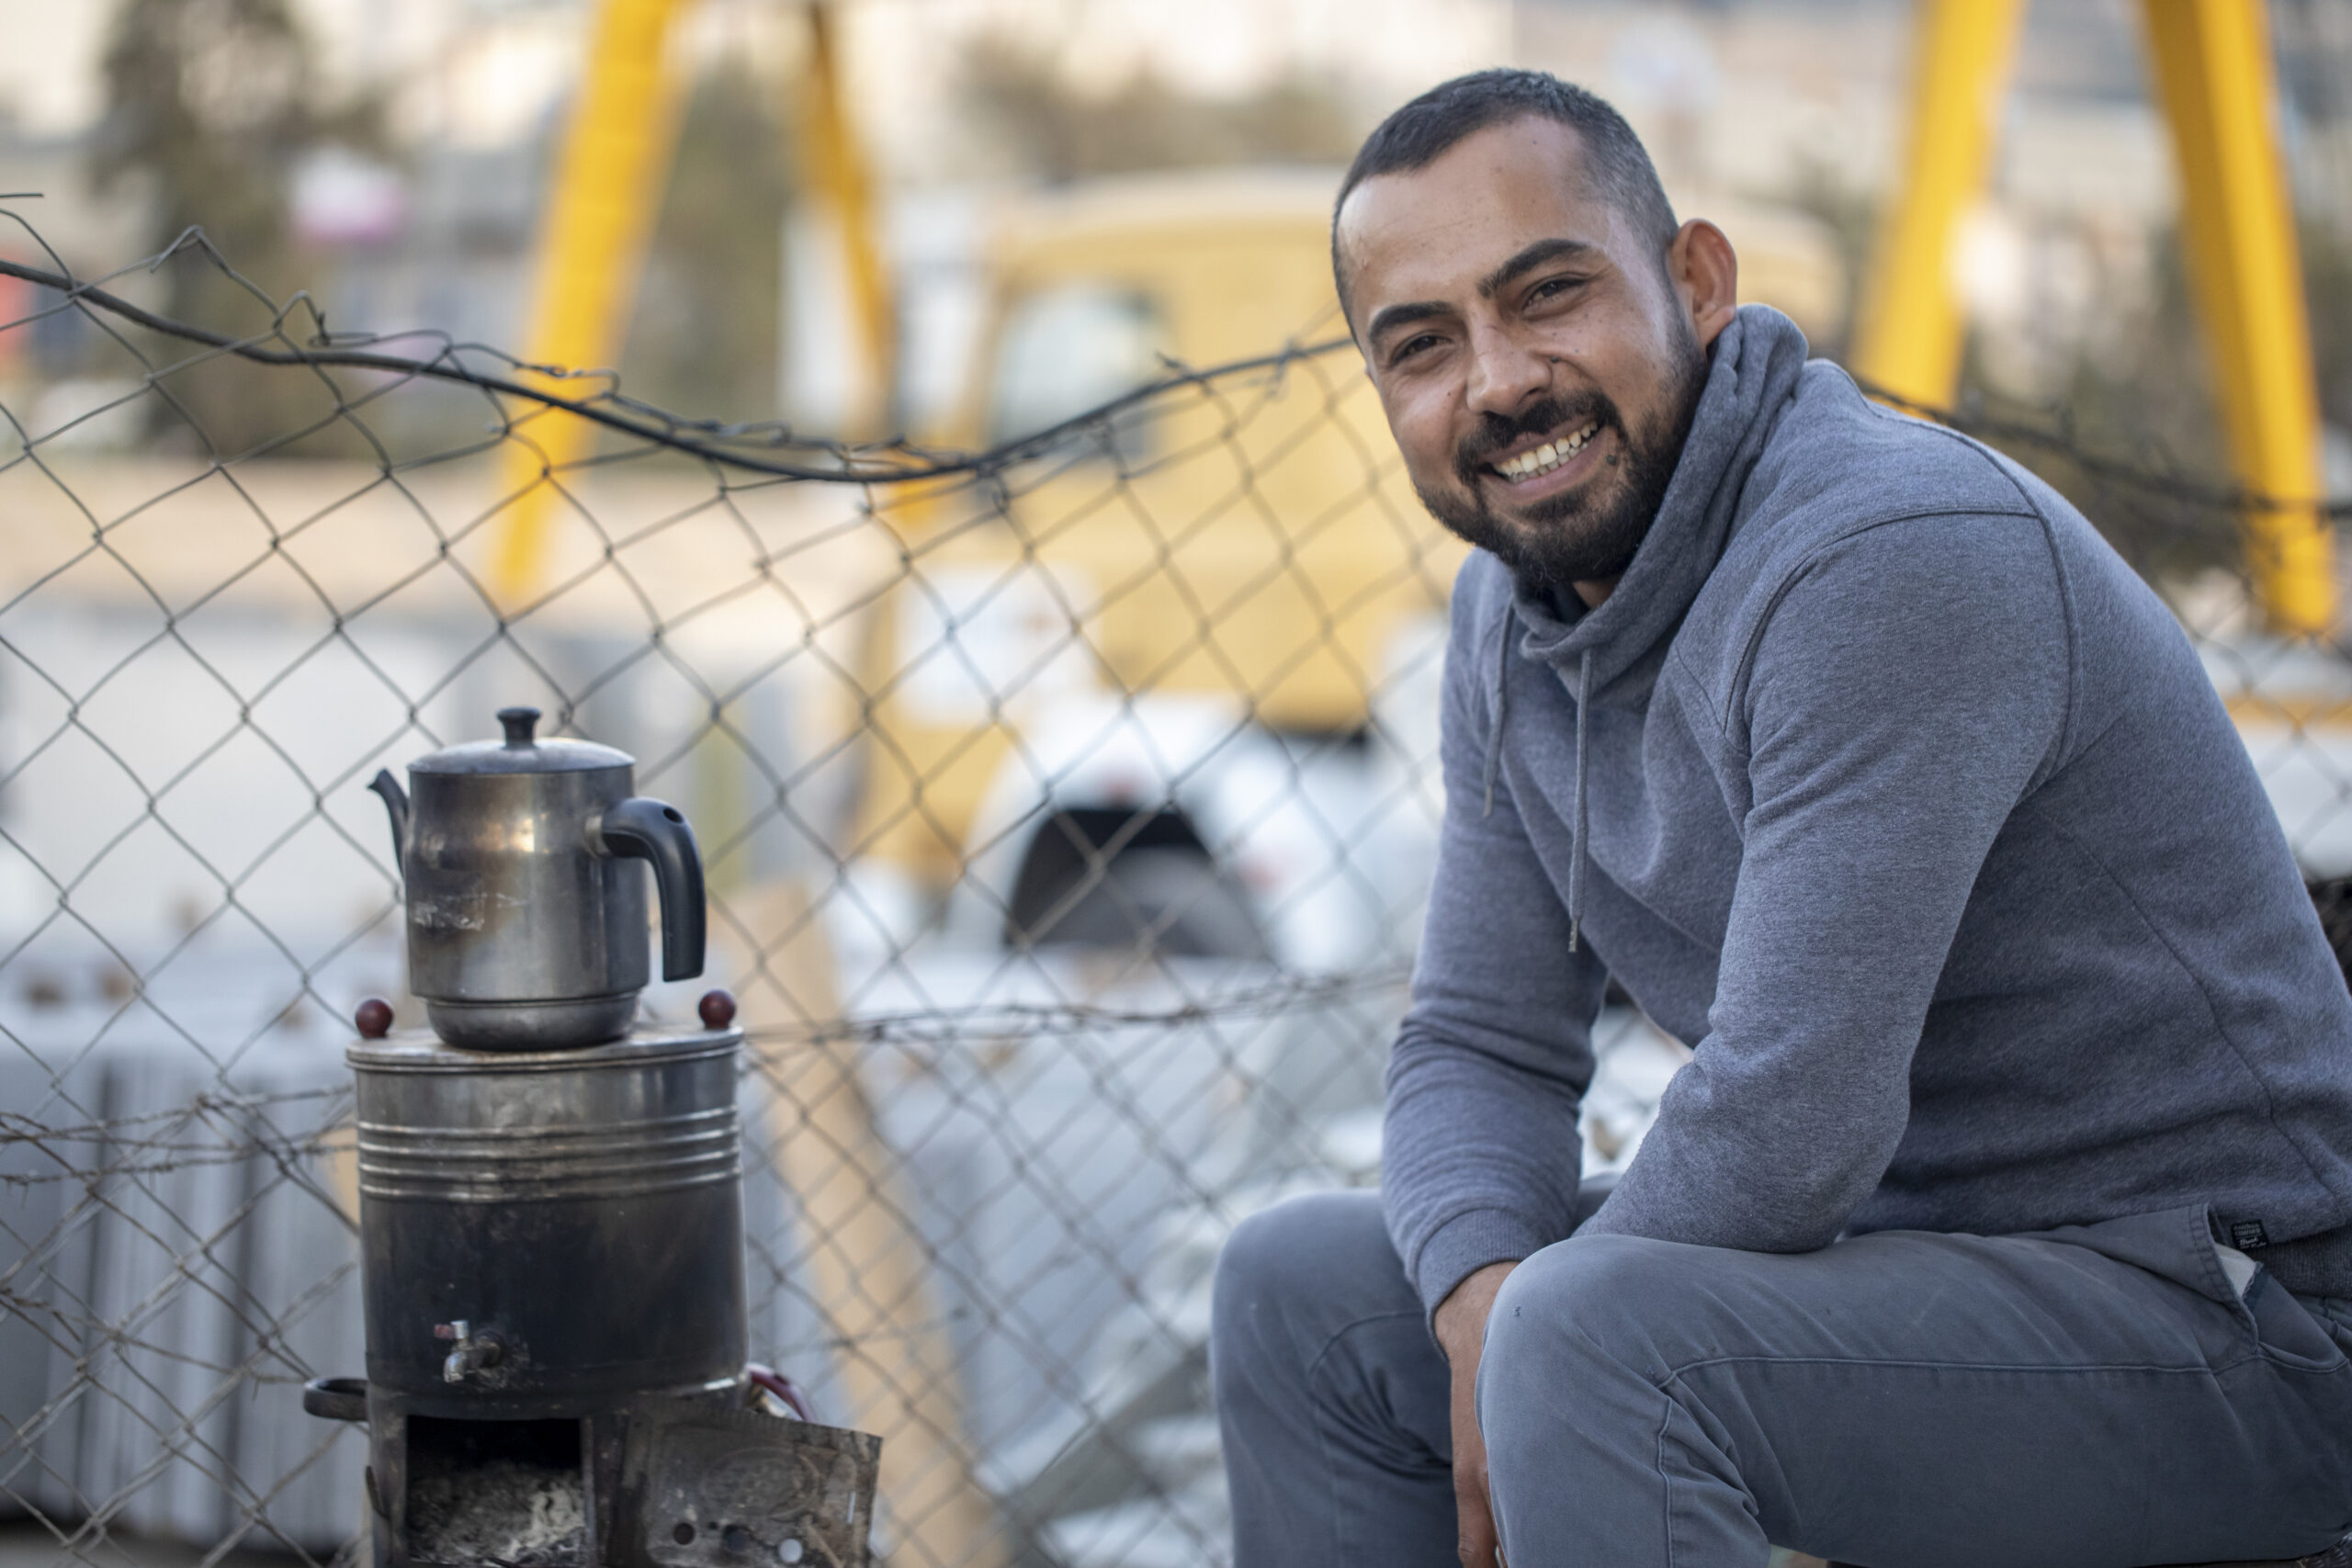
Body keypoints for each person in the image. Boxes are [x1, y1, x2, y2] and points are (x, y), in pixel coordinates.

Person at [1209, 68, 2352, 1568]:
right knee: (1304, 1294)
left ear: (1696, 280)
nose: (1496, 383)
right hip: (1906, 1268)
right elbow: (1482, 1043)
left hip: (2238, 1320)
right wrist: (1480, 1299)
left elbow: (1786, 1124)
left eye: (1547, 294)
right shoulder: (1514, 616)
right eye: (1422, 348)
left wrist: (1531, 1340)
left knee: (1600, 1341)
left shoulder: (1882, 557)